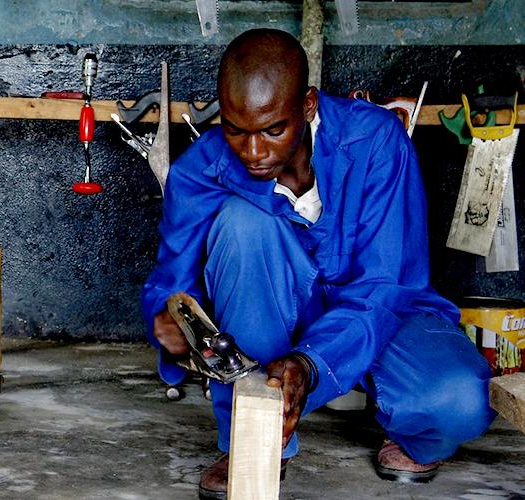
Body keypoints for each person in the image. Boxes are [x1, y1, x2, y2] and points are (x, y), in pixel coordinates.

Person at [140, 28, 494, 499]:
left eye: (273, 129)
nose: (253, 152)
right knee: (242, 225)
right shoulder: (198, 172)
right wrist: (171, 324)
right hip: (268, 318)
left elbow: (385, 286)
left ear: (308, 106)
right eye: (235, 130)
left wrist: (312, 362)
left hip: (383, 311)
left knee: (457, 402)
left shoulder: (377, 141)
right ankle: (254, 441)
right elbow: (173, 285)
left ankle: (408, 431)